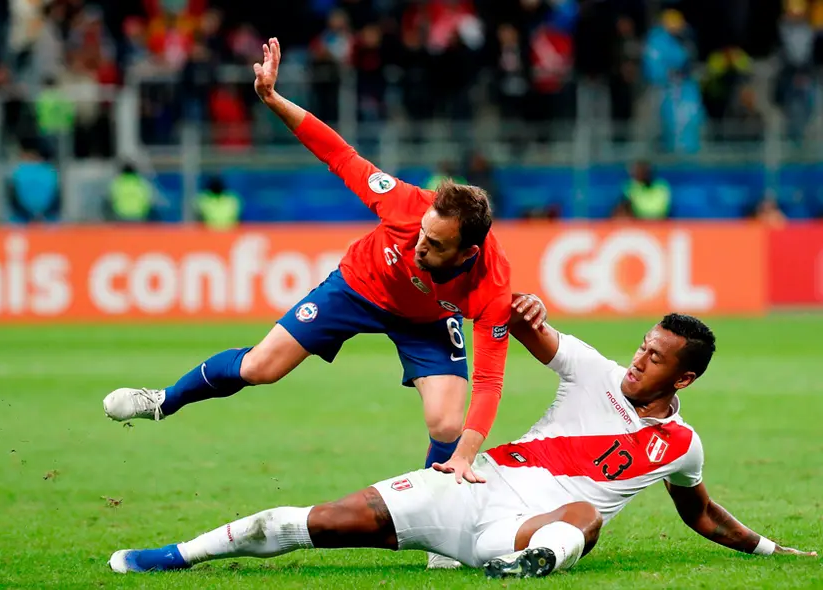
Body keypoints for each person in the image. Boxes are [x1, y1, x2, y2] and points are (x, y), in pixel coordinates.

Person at [103, 38, 518, 569]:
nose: (420, 246)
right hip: (358, 287)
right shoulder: (406, 206)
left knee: (446, 425)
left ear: (469, 252)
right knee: (259, 368)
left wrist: (464, 457)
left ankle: (437, 523)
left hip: (428, 320)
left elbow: (489, 382)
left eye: (435, 246)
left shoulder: (492, 286)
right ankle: (163, 399)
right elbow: (337, 152)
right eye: (421, 235)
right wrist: (273, 98)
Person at [107, 300, 817, 578]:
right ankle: (174, 557)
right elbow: (536, 333)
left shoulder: (682, 446)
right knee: (304, 522)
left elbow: (700, 513)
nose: (638, 360)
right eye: (642, 346)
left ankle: (533, 564)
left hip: (523, 529)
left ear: (683, 378)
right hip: (465, 486)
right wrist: (529, 310)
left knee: (583, 516)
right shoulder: (591, 370)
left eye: (656, 358)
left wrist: (767, 548)